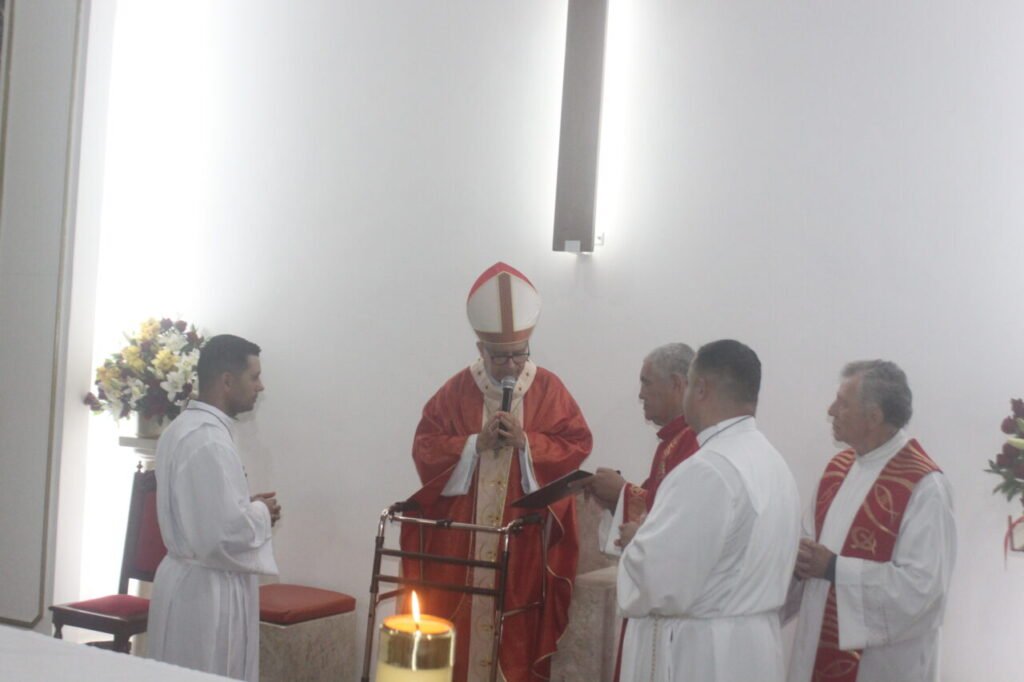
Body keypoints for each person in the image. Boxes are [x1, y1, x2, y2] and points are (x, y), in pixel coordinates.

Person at [402, 262, 593, 682]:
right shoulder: (454, 392)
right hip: (463, 543)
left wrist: (528, 444)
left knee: (516, 631)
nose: (510, 366)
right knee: (459, 631)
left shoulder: (549, 390)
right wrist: (475, 444)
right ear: (480, 349)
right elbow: (425, 448)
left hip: (522, 542)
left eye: (519, 353)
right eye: (500, 356)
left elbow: (577, 443)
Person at [617, 339, 800, 682]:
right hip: (754, 648)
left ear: (699, 389)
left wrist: (637, 541)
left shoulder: (708, 469)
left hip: (703, 656)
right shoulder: (774, 464)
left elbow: (657, 580)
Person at [785, 361, 956, 682]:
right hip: (816, 650)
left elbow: (924, 591)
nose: (831, 410)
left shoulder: (923, 486)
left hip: (881, 666)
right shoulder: (838, 469)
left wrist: (834, 568)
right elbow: (809, 546)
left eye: (843, 403)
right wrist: (799, 560)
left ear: (874, 417)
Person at [148, 334, 281, 682]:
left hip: (188, 582)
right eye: (254, 377)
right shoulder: (208, 439)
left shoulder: (182, 430)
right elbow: (220, 536)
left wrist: (246, 506)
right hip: (206, 596)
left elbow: (205, 514)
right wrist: (262, 513)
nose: (260, 386)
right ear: (226, 380)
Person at [588, 342, 700, 554]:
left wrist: (621, 490)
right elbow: (655, 498)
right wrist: (613, 498)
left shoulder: (692, 440)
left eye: (646, 383)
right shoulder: (672, 439)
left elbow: (675, 518)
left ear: (676, 384)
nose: (641, 394)